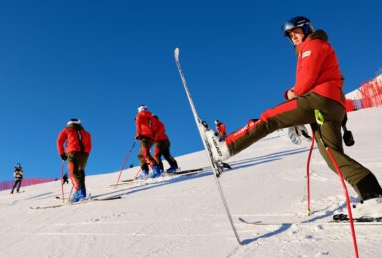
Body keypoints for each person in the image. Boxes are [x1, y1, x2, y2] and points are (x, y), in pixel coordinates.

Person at [205, 16, 382, 216]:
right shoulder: (316, 47)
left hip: (319, 100)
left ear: (306, 29)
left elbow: (305, 83)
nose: (293, 36)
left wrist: (291, 94)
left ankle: (226, 147)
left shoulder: (312, 44)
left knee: (270, 117)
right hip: (332, 107)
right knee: (333, 155)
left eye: (296, 31)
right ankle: (373, 197)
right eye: (290, 34)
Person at [57, 118, 92, 203]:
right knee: (80, 172)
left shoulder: (66, 130)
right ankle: (82, 192)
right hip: (85, 154)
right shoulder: (87, 133)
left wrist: (62, 153)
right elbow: (90, 145)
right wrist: (86, 152)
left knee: (73, 172)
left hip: (72, 153)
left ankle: (79, 193)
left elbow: (59, 141)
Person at [135, 105, 161, 179]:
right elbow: (156, 128)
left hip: (144, 137)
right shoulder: (151, 117)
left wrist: (138, 134)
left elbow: (138, 125)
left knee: (145, 154)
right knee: (141, 155)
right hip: (151, 138)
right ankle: (145, 172)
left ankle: (156, 170)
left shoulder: (139, 115)